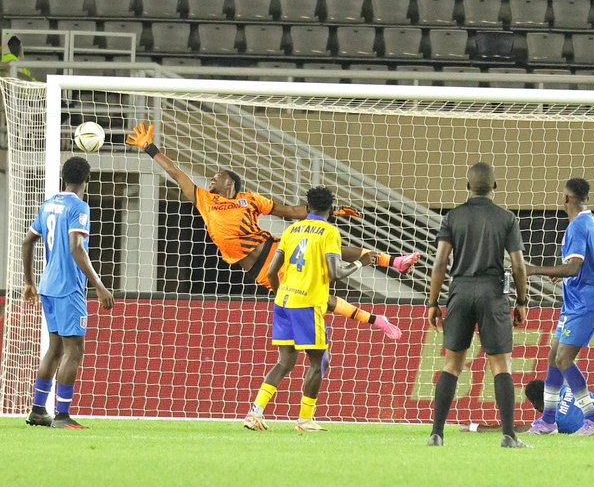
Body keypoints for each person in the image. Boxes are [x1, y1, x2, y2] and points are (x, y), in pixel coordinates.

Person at [125, 122, 415, 337]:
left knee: (326, 247)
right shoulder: (204, 200)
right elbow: (177, 174)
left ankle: (393, 261)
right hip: (261, 271)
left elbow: (290, 212)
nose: (212, 179)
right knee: (319, 299)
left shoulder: (250, 199)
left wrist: (332, 211)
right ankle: (377, 321)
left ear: (230, 182)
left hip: (275, 250)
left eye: (217, 176)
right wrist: (150, 148)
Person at [243, 187, 383, 432]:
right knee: (319, 361)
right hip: (307, 304)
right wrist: (361, 262)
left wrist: (280, 295)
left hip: (284, 302)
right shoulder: (329, 231)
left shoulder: (292, 230)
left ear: (307, 208)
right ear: (330, 210)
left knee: (285, 362)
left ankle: (255, 413)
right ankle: (304, 420)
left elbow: (272, 272)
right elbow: (335, 273)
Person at [426, 162, 530, 448]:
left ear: (468, 186)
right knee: (501, 365)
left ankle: (436, 434)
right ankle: (508, 436)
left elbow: (440, 262)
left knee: (452, 365)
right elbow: (518, 266)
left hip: (459, 290)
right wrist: (522, 301)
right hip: (492, 292)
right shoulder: (507, 218)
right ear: (494, 186)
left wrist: (433, 302)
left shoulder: (453, 217)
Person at [22, 157, 115, 429]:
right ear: (87, 180)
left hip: (47, 286)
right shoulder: (79, 207)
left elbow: (27, 241)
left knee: (55, 348)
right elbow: (76, 247)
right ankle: (62, 416)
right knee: (74, 350)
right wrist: (98, 285)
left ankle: (38, 411)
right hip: (68, 287)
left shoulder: (48, 204)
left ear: (64, 177)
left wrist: (29, 282)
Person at [526, 178, 594, 437]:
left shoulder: (577, 226)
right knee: (554, 356)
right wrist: (572, 274)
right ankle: (548, 422)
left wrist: (533, 270)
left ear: (567, 198)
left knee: (564, 359)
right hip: (576, 300)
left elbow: (574, 268)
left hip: (586, 301)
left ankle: (593, 420)